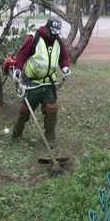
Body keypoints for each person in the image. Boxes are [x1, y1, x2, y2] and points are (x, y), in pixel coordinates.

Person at [11, 17, 71, 149]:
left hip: (49, 82)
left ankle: (50, 137)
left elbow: (63, 57)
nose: (53, 36)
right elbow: (21, 55)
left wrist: (65, 67)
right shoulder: (33, 38)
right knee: (25, 110)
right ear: (46, 28)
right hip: (32, 82)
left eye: (56, 34)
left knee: (51, 108)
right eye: (51, 33)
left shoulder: (57, 41)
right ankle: (16, 133)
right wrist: (17, 70)